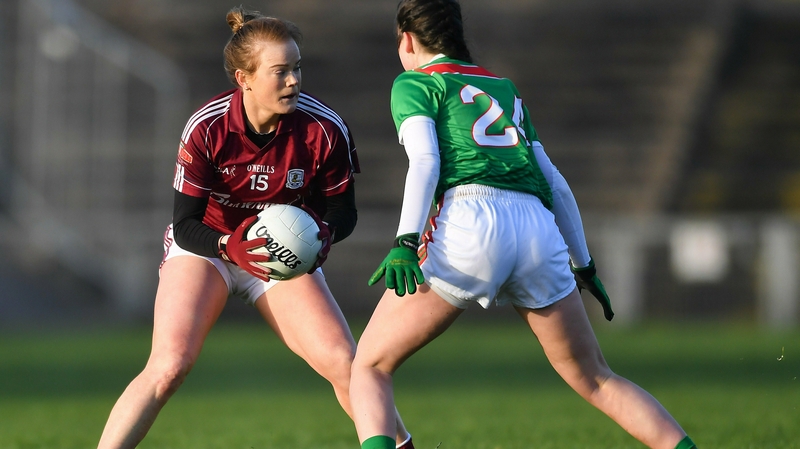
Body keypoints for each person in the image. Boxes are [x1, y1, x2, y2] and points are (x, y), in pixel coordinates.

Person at [349, 1, 697, 449]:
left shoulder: (415, 83)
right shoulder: (505, 89)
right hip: (537, 229)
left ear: (408, 39)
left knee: (370, 367)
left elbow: (426, 162)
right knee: (596, 377)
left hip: (470, 223)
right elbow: (557, 185)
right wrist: (584, 265)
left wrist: (405, 241)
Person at [97, 7, 414, 449]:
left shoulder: (323, 128)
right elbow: (185, 224)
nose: (294, 81)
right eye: (280, 71)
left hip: (279, 255)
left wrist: (325, 234)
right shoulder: (207, 128)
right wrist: (229, 246)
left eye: (297, 68)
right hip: (208, 247)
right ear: (244, 78)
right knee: (169, 366)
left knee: (346, 362)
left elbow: (344, 211)